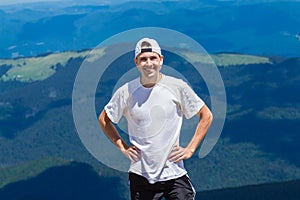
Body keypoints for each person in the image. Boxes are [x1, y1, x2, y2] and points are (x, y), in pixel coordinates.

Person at [98, 38, 213, 200]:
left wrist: (191, 149)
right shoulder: (126, 91)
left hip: (174, 173)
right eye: (143, 59)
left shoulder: (177, 87)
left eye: (153, 58)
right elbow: (104, 119)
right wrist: (122, 147)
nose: (149, 63)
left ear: (161, 60)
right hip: (141, 176)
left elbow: (206, 115)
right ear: (136, 62)